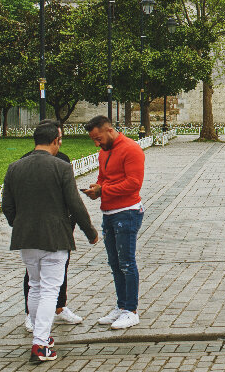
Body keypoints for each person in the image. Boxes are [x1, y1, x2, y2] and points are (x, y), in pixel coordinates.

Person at [2, 121, 99, 363]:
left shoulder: (14, 167)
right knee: (49, 291)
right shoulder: (61, 167)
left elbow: (7, 207)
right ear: (55, 140)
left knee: (35, 286)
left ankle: (40, 334)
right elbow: (74, 203)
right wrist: (90, 232)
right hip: (55, 236)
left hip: (26, 238)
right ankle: (40, 344)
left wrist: (20, 223)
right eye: (61, 139)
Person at [83, 116, 145, 330]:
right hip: (109, 212)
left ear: (109, 130)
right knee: (115, 263)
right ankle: (122, 306)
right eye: (93, 140)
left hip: (127, 212)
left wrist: (104, 190)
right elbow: (103, 178)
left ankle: (132, 310)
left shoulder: (131, 149)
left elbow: (133, 183)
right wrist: (96, 189)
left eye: (98, 138)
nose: (97, 143)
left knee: (127, 262)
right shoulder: (104, 152)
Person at [22, 120, 83, 330]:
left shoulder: (63, 161)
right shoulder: (25, 162)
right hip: (36, 226)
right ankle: (32, 316)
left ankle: (60, 306)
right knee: (35, 277)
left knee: (59, 270)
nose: (60, 142)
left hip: (60, 225)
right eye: (59, 137)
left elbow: (70, 196)